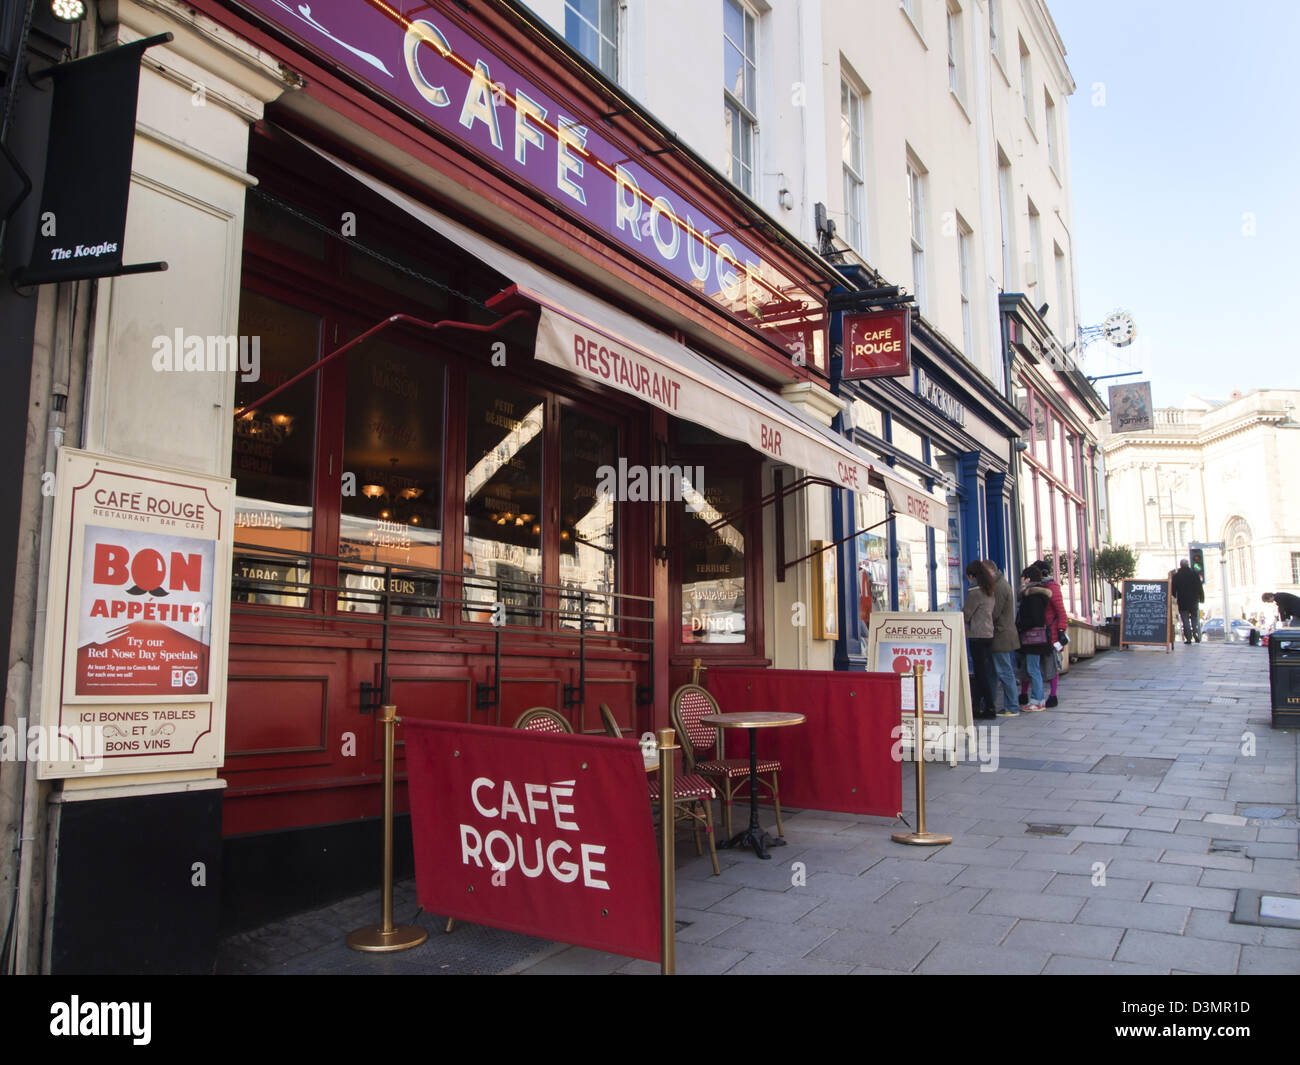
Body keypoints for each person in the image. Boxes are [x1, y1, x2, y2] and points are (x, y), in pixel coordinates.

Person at [982, 560, 1020, 716]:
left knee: (1004, 672)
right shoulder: (1000, 584)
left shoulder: (998, 587)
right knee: (995, 672)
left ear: (990, 571)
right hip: (999, 634)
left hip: (1000, 635)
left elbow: (994, 612)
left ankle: (1012, 706)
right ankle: (991, 704)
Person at [962, 561, 997, 720]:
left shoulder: (975, 592)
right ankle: (980, 706)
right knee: (984, 671)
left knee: (980, 673)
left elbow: (967, 613)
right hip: (988, 633)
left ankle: (989, 707)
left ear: (972, 575)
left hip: (977, 635)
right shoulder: (988, 589)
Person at [1015, 567, 1052, 711]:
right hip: (1036, 639)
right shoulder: (1036, 595)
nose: (1022, 580)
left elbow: (1034, 619)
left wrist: (1021, 626)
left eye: (1023, 577)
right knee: (1034, 669)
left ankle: (1037, 700)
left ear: (1028, 579)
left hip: (1033, 639)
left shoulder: (1032, 596)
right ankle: (1038, 700)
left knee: (1033, 669)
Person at [1034, 560, 1068, 707]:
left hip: (1050, 633)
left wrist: (1061, 631)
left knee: (1051, 665)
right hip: (1039, 631)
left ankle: (1053, 695)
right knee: (1033, 665)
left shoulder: (1052, 587)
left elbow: (1061, 612)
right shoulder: (1037, 587)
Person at [1171, 560, 1204, 644]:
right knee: (1194, 618)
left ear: (1180, 565)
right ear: (1188, 565)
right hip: (1193, 601)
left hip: (1183, 601)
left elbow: (1173, 590)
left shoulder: (1176, 576)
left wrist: (1176, 596)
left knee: (1185, 620)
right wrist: (1201, 597)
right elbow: (1199, 587)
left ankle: (1188, 638)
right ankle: (1195, 634)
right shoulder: (1194, 574)